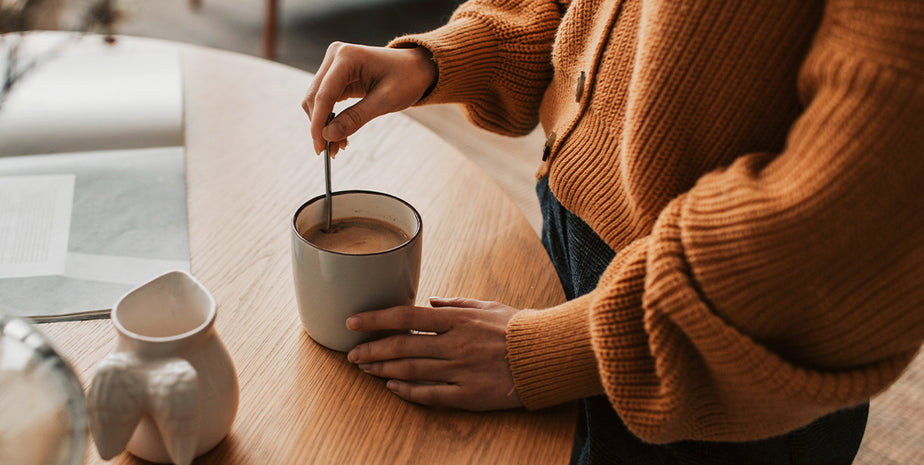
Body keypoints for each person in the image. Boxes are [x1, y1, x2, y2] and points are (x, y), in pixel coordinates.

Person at [301, 0, 924, 464]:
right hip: (569, 238)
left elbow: (855, 215)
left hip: (720, 343)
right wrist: (442, 58)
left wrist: (569, 350)